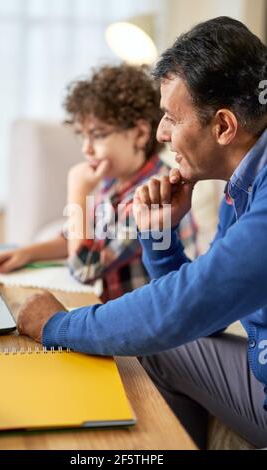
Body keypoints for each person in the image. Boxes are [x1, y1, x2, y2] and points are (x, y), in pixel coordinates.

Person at [16, 17, 267, 449]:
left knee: (147, 340)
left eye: (171, 117)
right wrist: (161, 234)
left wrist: (56, 327)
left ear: (224, 126)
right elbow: (205, 314)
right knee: (156, 346)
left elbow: (179, 309)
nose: (161, 133)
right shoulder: (241, 187)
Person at [0, 64, 197, 302]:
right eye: (83, 136)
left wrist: (78, 192)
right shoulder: (113, 181)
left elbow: (85, 269)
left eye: (98, 135)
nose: (86, 148)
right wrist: (25, 254)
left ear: (140, 134)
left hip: (150, 322)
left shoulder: (153, 193)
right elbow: (77, 237)